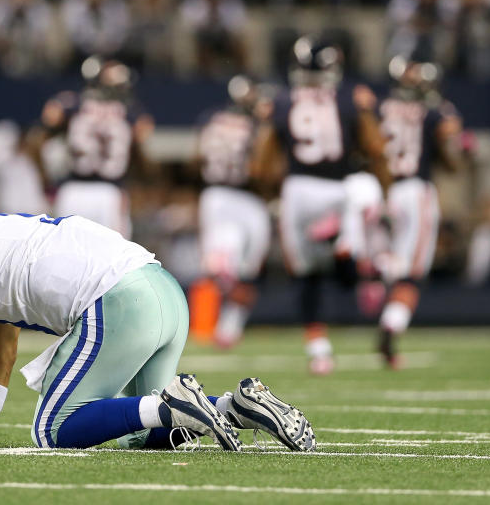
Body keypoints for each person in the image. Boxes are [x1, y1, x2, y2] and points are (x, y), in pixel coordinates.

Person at [0, 207, 316, 451]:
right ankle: (237, 406)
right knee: (141, 436)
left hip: (120, 297)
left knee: (53, 428)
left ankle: (173, 405)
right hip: (162, 292)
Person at [255, 36, 390, 375]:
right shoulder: (351, 98)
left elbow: (260, 163)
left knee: (306, 276)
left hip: (298, 190)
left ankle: (320, 352)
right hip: (339, 191)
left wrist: (272, 194)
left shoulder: (282, 101)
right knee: (366, 192)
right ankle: (347, 248)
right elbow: (376, 148)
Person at [376, 52, 465, 367]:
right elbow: (451, 157)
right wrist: (460, 147)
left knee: (396, 257)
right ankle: (392, 322)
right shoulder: (436, 111)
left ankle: (376, 273)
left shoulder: (380, 108)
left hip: (383, 189)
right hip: (416, 189)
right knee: (412, 272)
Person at [189, 76, 273, 348]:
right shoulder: (258, 125)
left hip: (215, 194)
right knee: (246, 270)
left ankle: (226, 326)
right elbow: (262, 167)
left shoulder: (211, 120)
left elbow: (196, 159)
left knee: (225, 266)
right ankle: (227, 326)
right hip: (247, 197)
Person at [40, 58, 153, 238]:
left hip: (73, 191)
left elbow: (50, 116)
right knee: (114, 257)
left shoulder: (74, 104)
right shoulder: (129, 111)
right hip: (109, 192)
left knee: (65, 254)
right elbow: (144, 131)